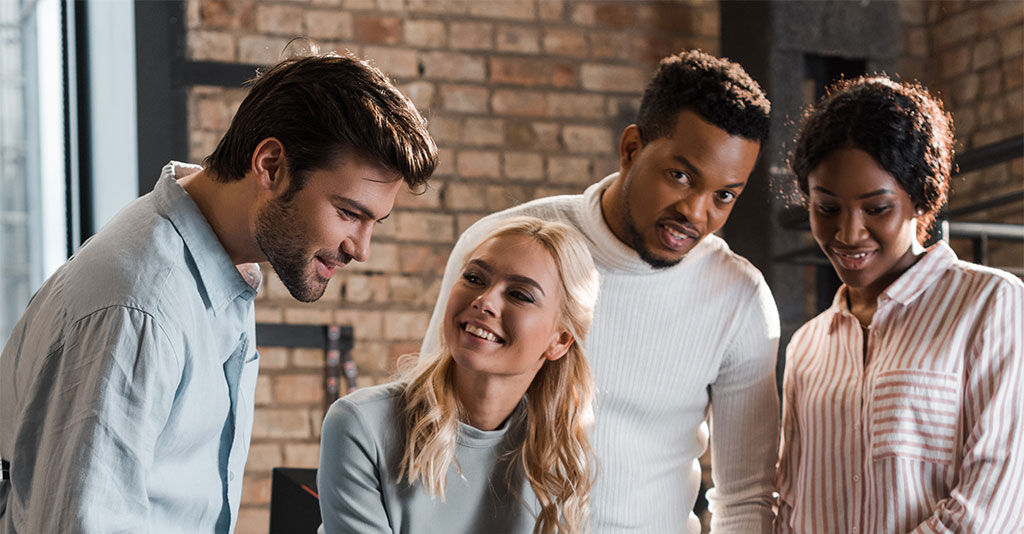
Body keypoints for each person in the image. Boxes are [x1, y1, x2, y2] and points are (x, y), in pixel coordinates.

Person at [0, 53, 437, 533]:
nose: (361, 249)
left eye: (375, 222)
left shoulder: (218, 268)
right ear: (270, 166)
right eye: (349, 212)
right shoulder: (141, 307)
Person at [422, 50, 780, 533]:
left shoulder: (739, 298)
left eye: (724, 195)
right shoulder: (501, 247)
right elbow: (430, 424)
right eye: (680, 176)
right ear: (631, 148)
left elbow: (746, 500)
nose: (697, 213)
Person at [776, 76, 1024, 533]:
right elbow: (792, 506)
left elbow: (994, 500)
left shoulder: (992, 306)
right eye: (827, 208)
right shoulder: (806, 348)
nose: (849, 234)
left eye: (876, 209)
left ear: (921, 199)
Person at [318, 216, 598, 534]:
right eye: (475, 278)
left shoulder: (559, 450)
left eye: (520, 295)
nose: (484, 301)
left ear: (560, 340)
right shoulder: (361, 423)